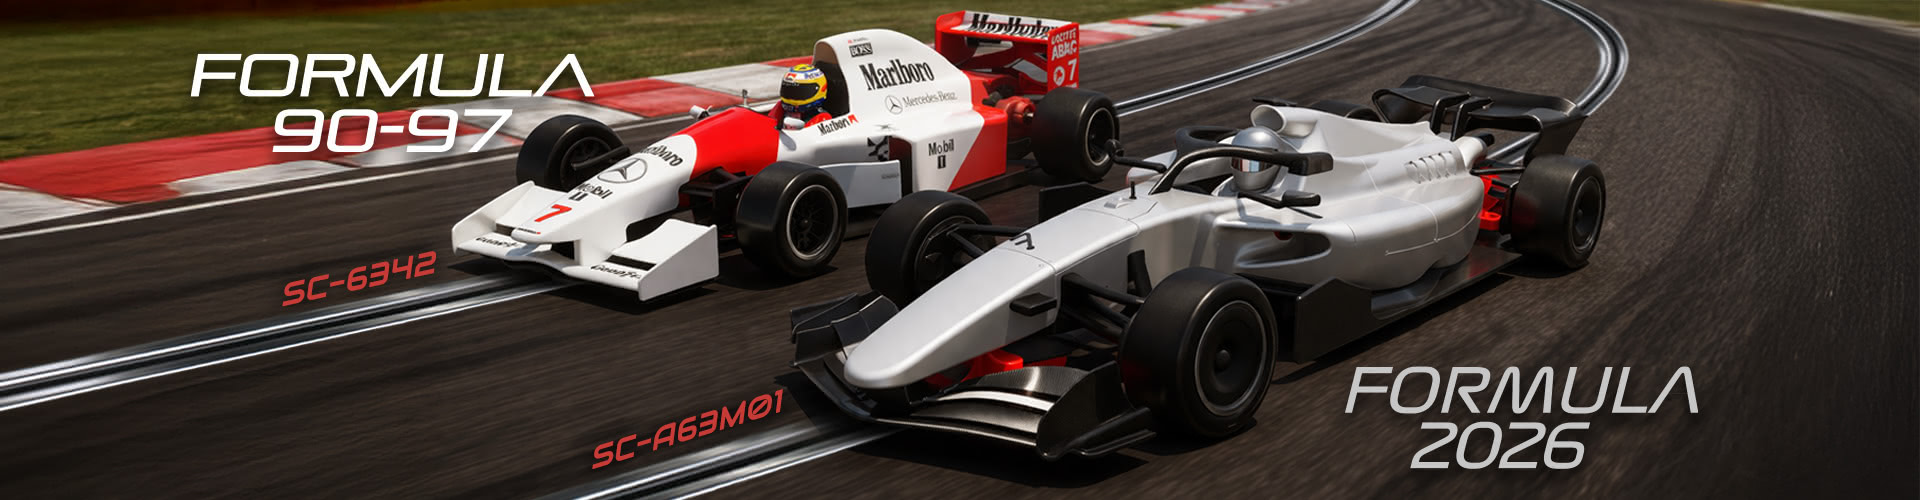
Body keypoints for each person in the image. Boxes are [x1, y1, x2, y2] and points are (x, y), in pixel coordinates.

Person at [771, 64, 833, 129]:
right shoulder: (780, 108)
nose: (791, 97)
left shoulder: (822, 119)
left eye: (798, 92)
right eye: (789, 91)